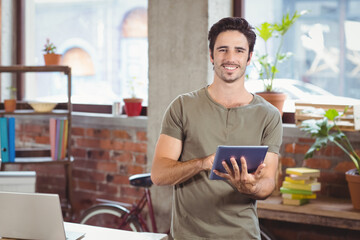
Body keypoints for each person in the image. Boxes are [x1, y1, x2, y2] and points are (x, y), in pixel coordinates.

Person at [151, 17, 283, 239]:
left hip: (242, 235)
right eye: (223, 50)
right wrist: (202, 164)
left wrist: (249, 188)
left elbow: (268, 182)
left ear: (249, 57)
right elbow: (159, 174)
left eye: (239, 50)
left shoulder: (269, 115)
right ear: (211, 55)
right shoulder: (182, 106)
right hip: (188, 235)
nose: (230, 58)